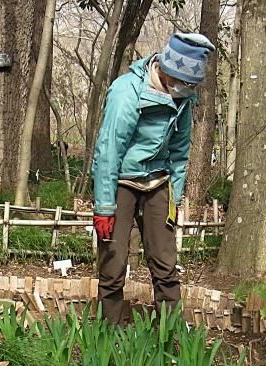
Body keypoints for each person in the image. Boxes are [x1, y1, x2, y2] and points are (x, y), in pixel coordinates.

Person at [91, 32, 216, 324]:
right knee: (114, 262)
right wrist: (105, 207)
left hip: (158, 181)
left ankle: (169, 335)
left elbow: (179, 153)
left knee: (165, 263)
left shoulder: (183, 98)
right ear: (170, 73)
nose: (191, 90)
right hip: (120, 180)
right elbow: (109, 152)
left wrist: (174, 201)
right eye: (189, 84)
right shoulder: (126, 93)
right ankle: (108, 334)